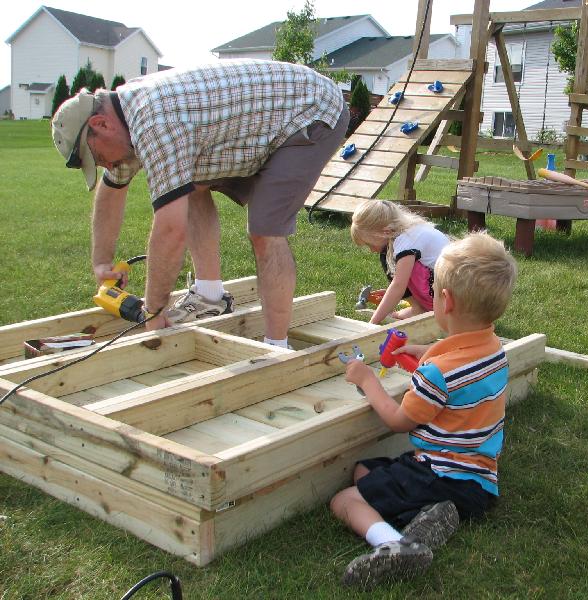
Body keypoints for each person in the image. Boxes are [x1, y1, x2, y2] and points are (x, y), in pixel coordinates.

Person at [51, 59, 348, 348]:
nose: (106, 165)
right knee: (187, 185)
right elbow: (111, 190)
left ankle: (277, 345)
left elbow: (171, 231)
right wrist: (102, 262)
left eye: (97, 157)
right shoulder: (125, 117)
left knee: (265, 229)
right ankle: (210, 297)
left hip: (311, 111)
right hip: (263, 118)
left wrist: (153, 311)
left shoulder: (154, 122)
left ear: (101, 124)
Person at [331, 232, 518, 587]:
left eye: (432, 290)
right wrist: (424, 353)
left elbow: (399, 420)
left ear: (445, 301)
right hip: (480, 482)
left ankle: (395, 544)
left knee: (345, 499)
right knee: (363, 470)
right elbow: (457, 369)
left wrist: (368, 380)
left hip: (441, 474)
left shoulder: (438, 374)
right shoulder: (493, 348)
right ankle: (430, 515)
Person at [350, 200, 450, 325]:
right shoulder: (411, 230)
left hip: (446, 297)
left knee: (388, 258)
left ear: (386, 232)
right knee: (393, 259)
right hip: (448, 291)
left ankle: (423, 310)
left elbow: (398, 286)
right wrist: (389, 293)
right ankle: (419, 308)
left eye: (370, 244)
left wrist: (372, 324)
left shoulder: (406, 242)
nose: (372, 250)